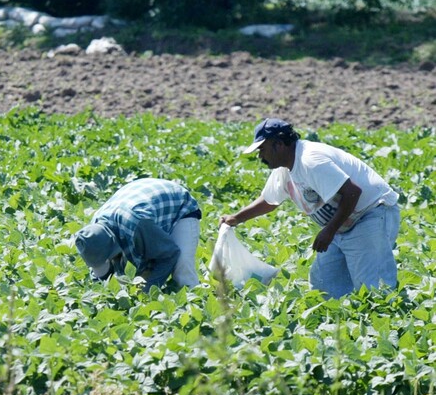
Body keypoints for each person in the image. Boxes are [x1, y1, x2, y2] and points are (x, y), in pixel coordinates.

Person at [220, 118, 400, 298]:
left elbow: (352, 192)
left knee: (374, 289)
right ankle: (340, 322)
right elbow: (269, 201)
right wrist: (236, 218)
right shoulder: (285, 169)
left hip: (370, 215)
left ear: (279, 145)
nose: (260, 156)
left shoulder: (310, 161)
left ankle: (384, 320)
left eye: (262, 149)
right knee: (324, 285)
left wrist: (329, 231)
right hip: (342, 225)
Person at [74, 178, 202, 291]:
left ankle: (192, 301)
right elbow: (100, 274)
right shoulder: (92, 235)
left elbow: (169, 254)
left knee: (182, 264)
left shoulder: (136, 223)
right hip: (141, 200)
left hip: (177, 204)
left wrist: (146, 291)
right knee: (140, 264)